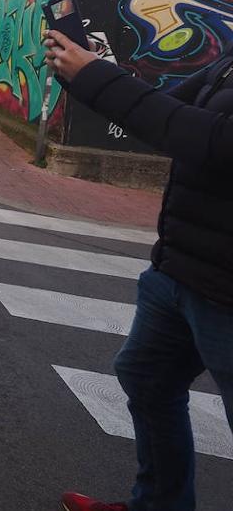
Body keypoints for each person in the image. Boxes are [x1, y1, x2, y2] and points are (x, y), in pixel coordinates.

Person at [46, 29, 233, 511]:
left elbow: (213, 142)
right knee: (146, 377)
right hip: (182, 268)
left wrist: (97, 77)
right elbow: (163, 113)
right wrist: (90, 73)